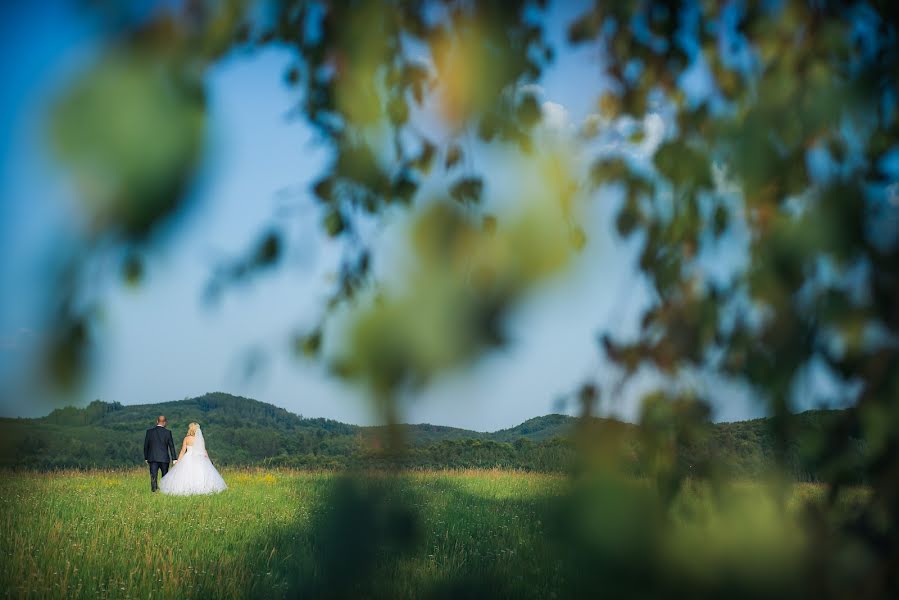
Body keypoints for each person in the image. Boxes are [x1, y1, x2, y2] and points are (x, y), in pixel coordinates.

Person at [158, 422, 228, 495]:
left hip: (188, 457)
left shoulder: (187, 439)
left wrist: (178, 461)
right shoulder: (200, 439)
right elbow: (204, 450)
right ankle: (201, 488)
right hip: (199, 458)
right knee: (200, 473)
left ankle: (186, 488)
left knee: (185, 474)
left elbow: (183, 450)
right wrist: (208, 460)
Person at [143, 415, 177, 492]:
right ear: (165, 422)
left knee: (153, 475)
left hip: (153, 458)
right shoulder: (168, 432)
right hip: (164, 458)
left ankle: (154, 491)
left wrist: (146, 457)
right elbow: (171, 446)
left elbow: (146, 446)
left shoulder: (149, 432)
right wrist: (174, 458)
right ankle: (164, 490)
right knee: (164, 475)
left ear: (157, 421)